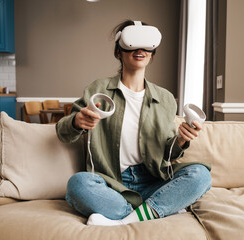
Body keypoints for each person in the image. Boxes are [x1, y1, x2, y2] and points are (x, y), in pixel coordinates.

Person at [56, 20, 211, 226]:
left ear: (152, 52)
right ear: (119, 51)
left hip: (154, 180)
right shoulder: (98, 88)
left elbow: (168, 153)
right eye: (132, 44)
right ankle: (157, 209)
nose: (140, 50)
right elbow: (62, 132)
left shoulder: (164, 98)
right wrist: (77, 121)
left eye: (146, 46)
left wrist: (181, 140)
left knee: (201, 174)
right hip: (112, 183)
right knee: (78, 184)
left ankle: (126, 220)